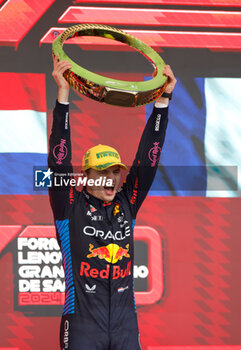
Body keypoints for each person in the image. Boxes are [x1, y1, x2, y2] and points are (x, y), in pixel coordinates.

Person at [48, 55, 176, 350]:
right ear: (87, 177)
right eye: (103, 173)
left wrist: (163, 101)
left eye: (116, 172)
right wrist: (63, 97)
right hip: (81, 326)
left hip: (124, 326)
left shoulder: (127, 202)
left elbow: (149, 157)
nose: (111, 179)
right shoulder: (70, 206)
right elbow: (59, 161)